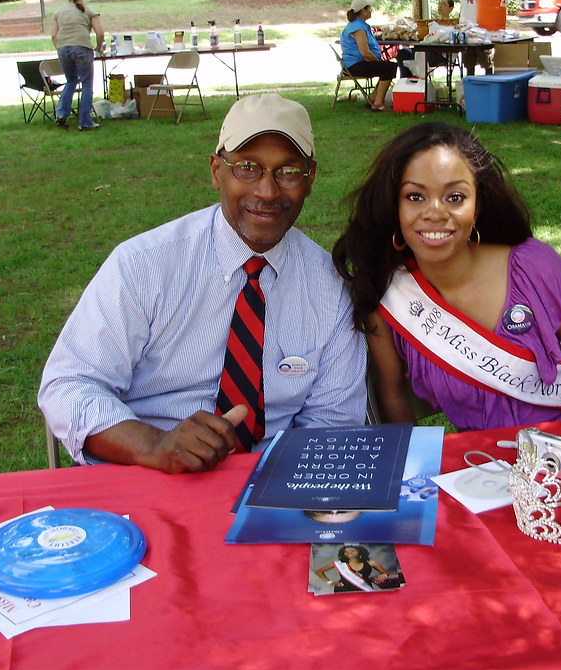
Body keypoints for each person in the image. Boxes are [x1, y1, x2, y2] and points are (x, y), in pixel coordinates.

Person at [39, 94, 367, 472]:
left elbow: (333, 424)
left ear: (310, 180)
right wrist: (154, 445)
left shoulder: (331, 289)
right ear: (216, 171)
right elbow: (69, 384)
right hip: (146, 474)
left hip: (274, 481)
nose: (268, 191)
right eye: (247, 167)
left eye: (288, 172)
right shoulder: (145, 265)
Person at [331, 122, 561, 436]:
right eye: (415, 197)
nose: (435, 213)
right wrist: (414, 464)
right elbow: (392, 396)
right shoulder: (387, 295)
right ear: (394, 205)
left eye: (455, 197)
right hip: (477, 470)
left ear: (478, 204)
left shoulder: (533, 266)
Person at [50, 0, 105, 131]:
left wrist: (61, 49)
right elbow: (100, 33)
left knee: (71, 81)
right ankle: (85, 121)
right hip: (82, 47)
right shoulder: (88, 10)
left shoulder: (59, 12)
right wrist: (99, 47)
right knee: (87, 85)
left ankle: (61, 113)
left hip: (63, 48)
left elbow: (53, 35)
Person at [340, 0, 397, 111]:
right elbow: (365, 53)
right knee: (389, 67)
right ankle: (378, 104)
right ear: (363, 11)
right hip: (355, 66)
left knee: (387, 66)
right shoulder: (358, 28)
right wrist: (379, 61)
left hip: (355, 64)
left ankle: (372, 98)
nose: (371, 10)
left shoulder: (358, 25)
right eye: (369, 8)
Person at [315, 545, 393, 593]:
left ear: (360, 552)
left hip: (363, 589)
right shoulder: (339, 564)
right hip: (342, 590)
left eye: (352, 550)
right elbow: (319, 571)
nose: (349, 553)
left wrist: (384, 576)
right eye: (346, 551)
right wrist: (330, 582)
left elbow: (386, 573)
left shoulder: (371, 563)